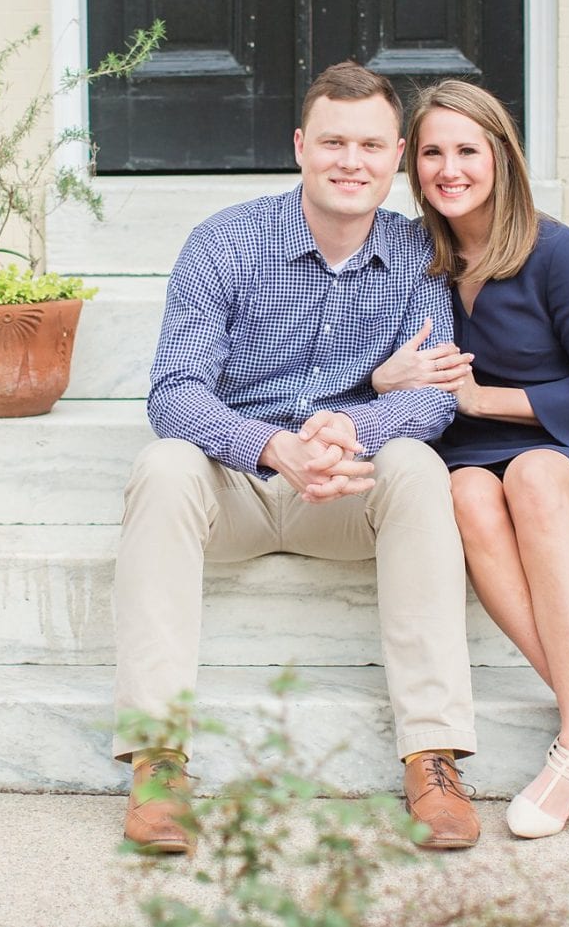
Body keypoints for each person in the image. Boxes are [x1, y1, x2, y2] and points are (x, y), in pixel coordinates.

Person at [112, 61, 482, 856]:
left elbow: (434, 397)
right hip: (240, 484)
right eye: (334, 141)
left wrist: (351, 429)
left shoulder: (421, 255)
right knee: (164, 466)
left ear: (396, 158)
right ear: (299, 147)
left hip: (344, 491)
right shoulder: (224, 244)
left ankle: (433, 755)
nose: (352, 161)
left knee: (419, 467)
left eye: (372, 145)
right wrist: (273, 445)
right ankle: (158, 760)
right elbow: (174, 391)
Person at [372, 78, 569, 840]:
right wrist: (383, 378)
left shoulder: (559, 252)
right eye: (432, 151)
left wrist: (488, 400)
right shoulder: (411, 258)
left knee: (529, 474)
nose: (448, 168)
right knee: (461, 491)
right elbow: (371, 361)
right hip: (472, 462)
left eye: (466, 149)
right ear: (414, 164)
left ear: (500, 156)